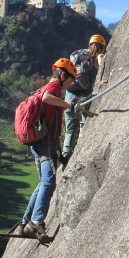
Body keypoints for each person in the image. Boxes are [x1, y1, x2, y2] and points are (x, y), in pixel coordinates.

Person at [15, 58, 84, 243]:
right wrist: (70, 105)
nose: (69, 85)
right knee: (48, 182)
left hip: (37, 143)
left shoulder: (43, 87)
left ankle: (23, 224)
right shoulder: (52, 87)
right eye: (70, 80)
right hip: (45, 143)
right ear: (62, 75)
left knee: (41, 183)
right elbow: (47, 99)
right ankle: (36, 222)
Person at [61, 34, 107, 161]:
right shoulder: (99, 58)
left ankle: (65, 154)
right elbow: (103, 72)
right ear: (103, 48)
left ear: (89, 45)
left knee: (69, 129)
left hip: (70, 94)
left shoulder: (81, 58)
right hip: (86, 95)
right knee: (84, 124)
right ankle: (82, 150)